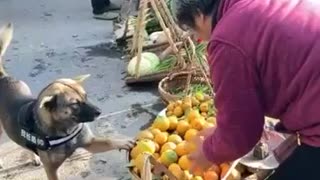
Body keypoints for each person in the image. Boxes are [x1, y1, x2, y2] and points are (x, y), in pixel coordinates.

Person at [172, 0, 320, 179]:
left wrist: (208, 152)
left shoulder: (227, 39)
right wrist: (221, 133)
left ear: (199, 14)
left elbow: (240, 133)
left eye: (193, 29)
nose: (198, 38)